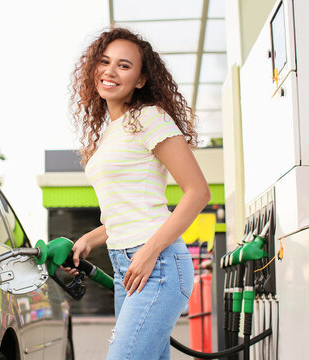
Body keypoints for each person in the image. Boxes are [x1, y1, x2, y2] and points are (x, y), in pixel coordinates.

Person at [65, 27, 211, 360]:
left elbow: (197, 192)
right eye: (104, 61)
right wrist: (90, 238)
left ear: (141, 79)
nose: (110, 71)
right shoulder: (108, 135)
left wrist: (148, 252)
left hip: (156, 264)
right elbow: (131, 210)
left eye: (124, 65)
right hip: (125, 267)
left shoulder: (149, 118)